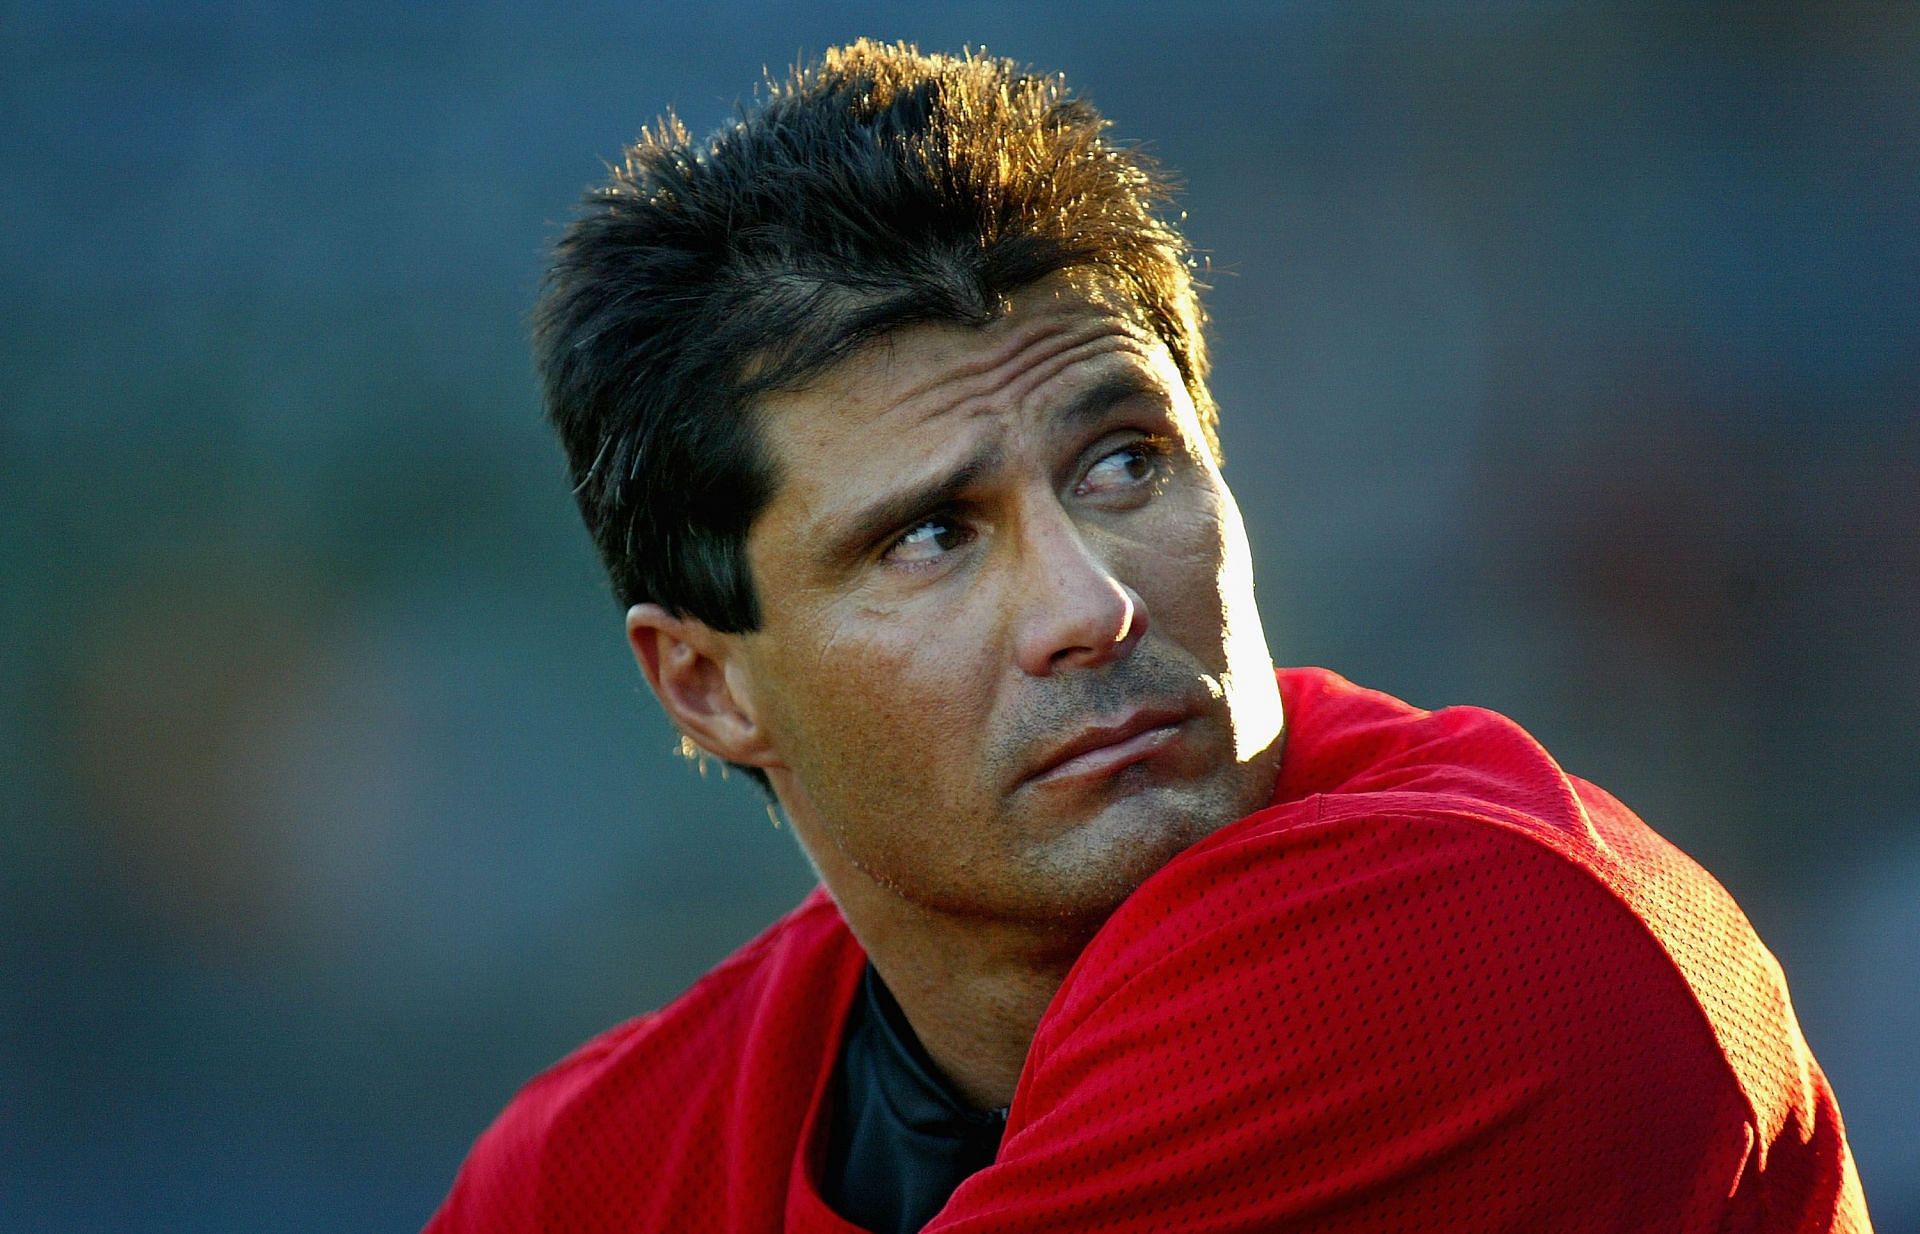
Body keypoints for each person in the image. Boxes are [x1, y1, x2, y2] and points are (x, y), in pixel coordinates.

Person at [426, 39, 1871, 1234]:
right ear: (705, 680)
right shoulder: (596, 1161)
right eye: (929, 533)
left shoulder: (1487, 943)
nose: (1089, 604)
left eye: (1123, 463)